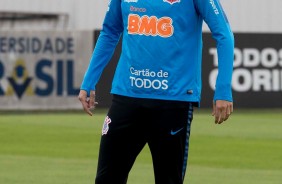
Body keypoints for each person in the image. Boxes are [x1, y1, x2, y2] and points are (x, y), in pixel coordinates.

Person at [78, 0, 234, 183]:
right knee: (106, 179)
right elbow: (109, 31)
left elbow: (224, 34)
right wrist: (89, 81)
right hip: (127, 96)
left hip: (173, 101)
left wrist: (223, 90)